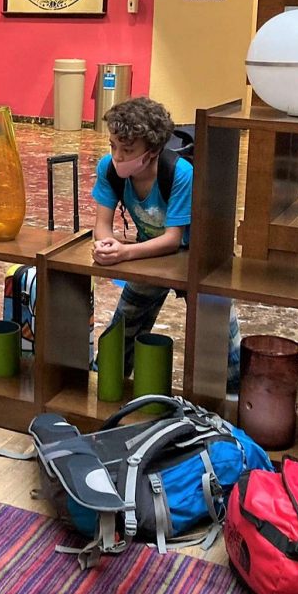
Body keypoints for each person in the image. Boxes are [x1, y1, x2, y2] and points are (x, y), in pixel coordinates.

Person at [92, 96, 240, 393]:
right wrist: (105, 243)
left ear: (153, 150)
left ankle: (234, 396)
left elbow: (173, 240)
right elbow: (102, 225)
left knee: (222, 338)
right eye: (113, 146)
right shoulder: (108, 168)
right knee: (124, 326)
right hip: (150, 252)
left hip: (197, 257)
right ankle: (104, 385)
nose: (118, 156)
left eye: (128, 150)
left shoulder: (180, 173)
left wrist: (124, 252)